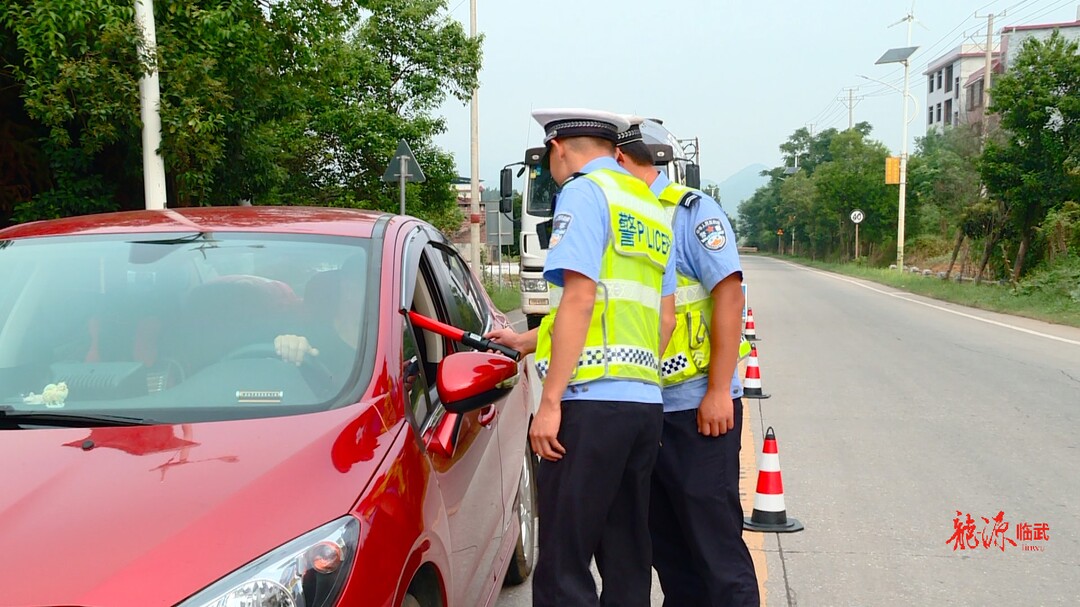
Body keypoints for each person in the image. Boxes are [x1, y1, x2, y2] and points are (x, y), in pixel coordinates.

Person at [485, 108, 676, 607]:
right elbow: (663, 318)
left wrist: (550, 403)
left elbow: (580, 298)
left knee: (564, 564)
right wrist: (525, 342)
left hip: (589, 405)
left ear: (557, 148)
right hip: (642, 405)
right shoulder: (649, 205)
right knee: (627, 551)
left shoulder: (584, 192)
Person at [615, 116, 759, 606]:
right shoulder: (625, 217)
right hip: (647, 410)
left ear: (619, 159)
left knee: (713, 545)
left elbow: (729, 295)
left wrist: (719, 389)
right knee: (669, 549)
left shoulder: (691, 212)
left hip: (700, 410)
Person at [274, 254, 367, 386]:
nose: (350, 296)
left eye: (358, 288)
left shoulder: (387, 333)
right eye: (347, 287)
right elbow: (283, 343)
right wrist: (287, 343)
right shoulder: (312, 331)